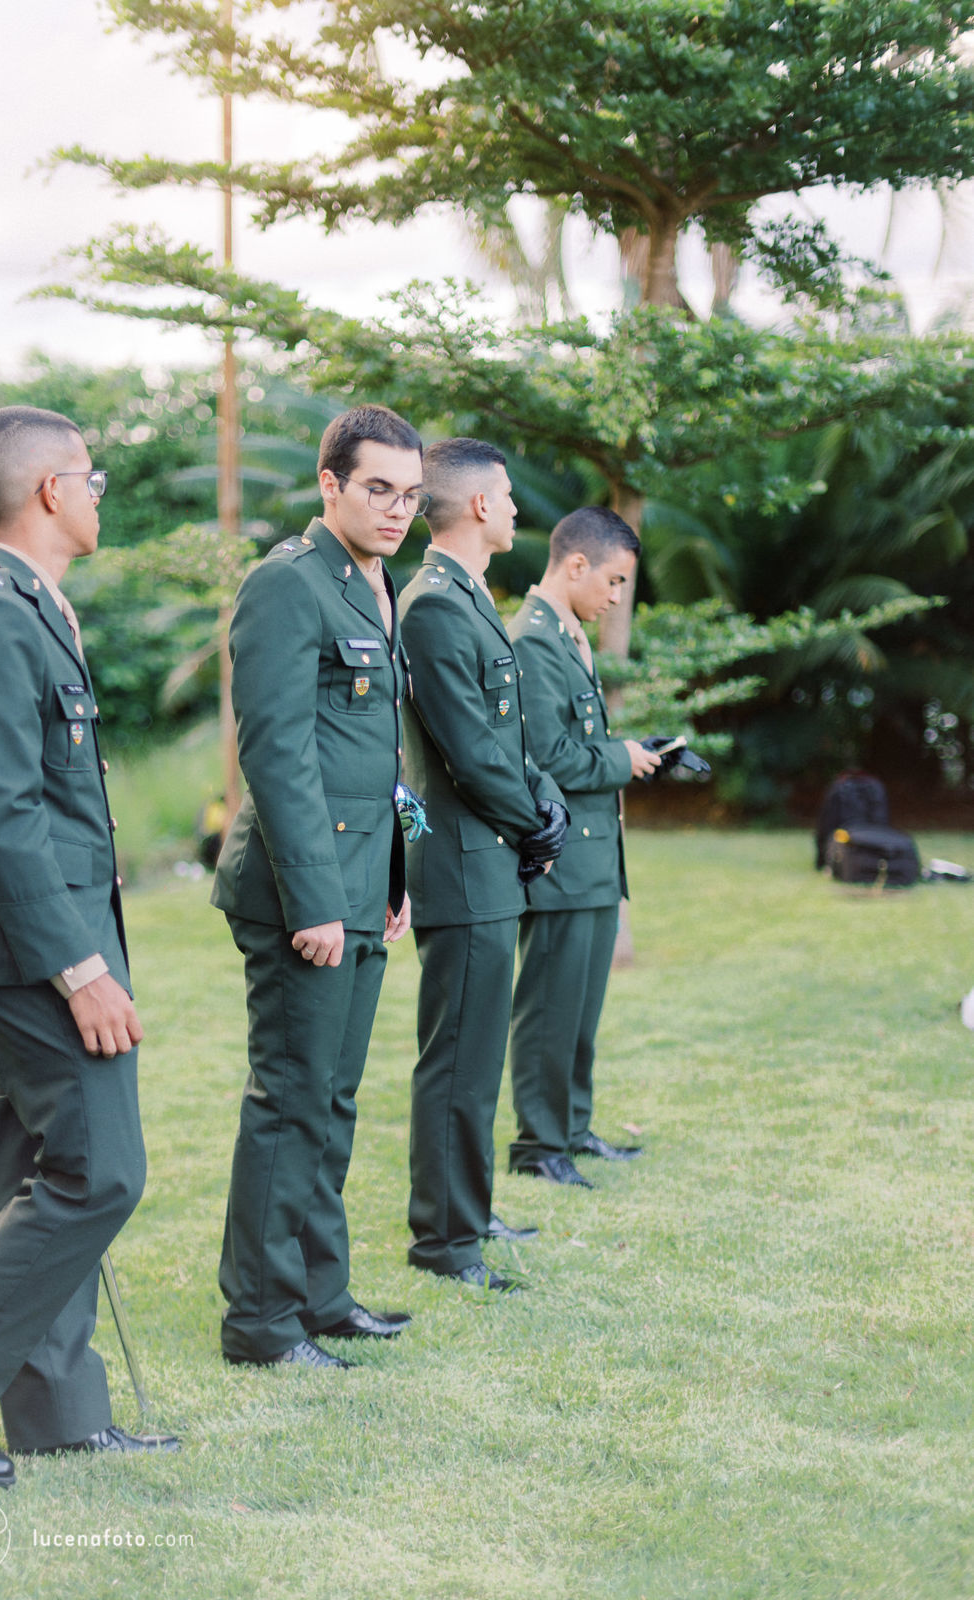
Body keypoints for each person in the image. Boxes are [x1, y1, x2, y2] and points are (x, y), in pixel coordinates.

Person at [0, 405, 178, 1492]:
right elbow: (1, 815)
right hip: (32, 951)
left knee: (41, 1162)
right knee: (102, 1170)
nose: (103, 493)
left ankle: (59, 1411)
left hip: (52, 935)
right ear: (51, 490)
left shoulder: (31, 607)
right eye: (95, 476)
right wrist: (81, 968)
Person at [212, 403, 420, 1368]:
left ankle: (321, 1296)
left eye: (413, 495)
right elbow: (278, 752)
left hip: (360, 886)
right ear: (330, 484)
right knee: (291, 1098)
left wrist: (389, 879)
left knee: (332, 1100)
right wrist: (320, 903)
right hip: (305, 895)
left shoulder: (378, 585)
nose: (397, 510)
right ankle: (260, 1322)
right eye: (379, 488)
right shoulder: (288, 586)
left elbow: (372, 754)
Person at [398, 437, 568, 1291]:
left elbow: (507, 739)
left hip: (490, 857)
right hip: (464, 863)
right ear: (473, 507)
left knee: (476, 1057)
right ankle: (444, 1242)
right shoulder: (431, 604)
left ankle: (471, 1209)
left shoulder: (466, 596)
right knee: (458, 1058)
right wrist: (533, 820)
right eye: (503, 495)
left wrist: (543, 798)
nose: (512, 509)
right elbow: (467, 751)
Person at [507, 506, 660, 1188]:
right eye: (615, 581)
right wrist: (623, 758)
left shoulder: (568, 635)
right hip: (563, 858)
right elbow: (548, 755)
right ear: (575, 565)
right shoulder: (535, 640)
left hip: (595, 859)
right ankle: (538, 1144)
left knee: (581, 1007)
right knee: (550, 1008)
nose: (617, 597)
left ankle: (571, 1127)